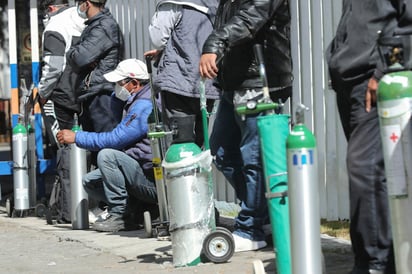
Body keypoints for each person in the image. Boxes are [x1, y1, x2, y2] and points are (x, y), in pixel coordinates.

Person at [199, 0, 293, 252]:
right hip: (235, 81)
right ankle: (264, 216)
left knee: (254, 158)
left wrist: (214, 44)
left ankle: (251, 228)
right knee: (222, 152)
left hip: (259, 81)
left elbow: (248, 21)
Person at [326, 1, 412, 273]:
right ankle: (373, 258)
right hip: (351, 81)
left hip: (374, 81)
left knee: (366, 169)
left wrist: (386, 69)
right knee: (373, 172)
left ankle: (377, 263)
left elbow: (407, 20)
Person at [56, 59, 159, 232]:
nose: (115, 88)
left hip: (151, 181)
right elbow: (118, 120)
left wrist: (77, 137)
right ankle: (135, 211)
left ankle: (120, 215)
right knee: (90, 182)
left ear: (134, 83)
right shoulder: (135, 100)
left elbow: (114, 139)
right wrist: (118, 99)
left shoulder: (143, 106)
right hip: (138, 171)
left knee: (107, 155)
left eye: (119, 83)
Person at [144, 0, 219, 147]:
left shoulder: (174, 3)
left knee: (179, 143)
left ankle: (183, 169)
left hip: (178, 82)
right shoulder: (215, 4)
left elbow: (158, 39)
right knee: (199, 144)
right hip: (207, 81)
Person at [38, 0, 85, 224]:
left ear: (50, 8)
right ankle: (84, 206)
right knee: (84, 147)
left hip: (61, 95)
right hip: (84, 94)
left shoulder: (56, 24)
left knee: (64, 148)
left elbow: (54, 64)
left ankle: (68, 211)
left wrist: (43, 92)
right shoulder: (85, 18)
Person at [66, 0, 124, 134]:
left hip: (101, 93)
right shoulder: (95, 25)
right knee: (93, 145)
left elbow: (79, 58)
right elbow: (77, 57)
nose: (78, 7)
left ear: (87, 3)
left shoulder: (104, 26)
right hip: (93, 91)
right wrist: (75, 53)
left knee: (104, 145)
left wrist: (74, 52)